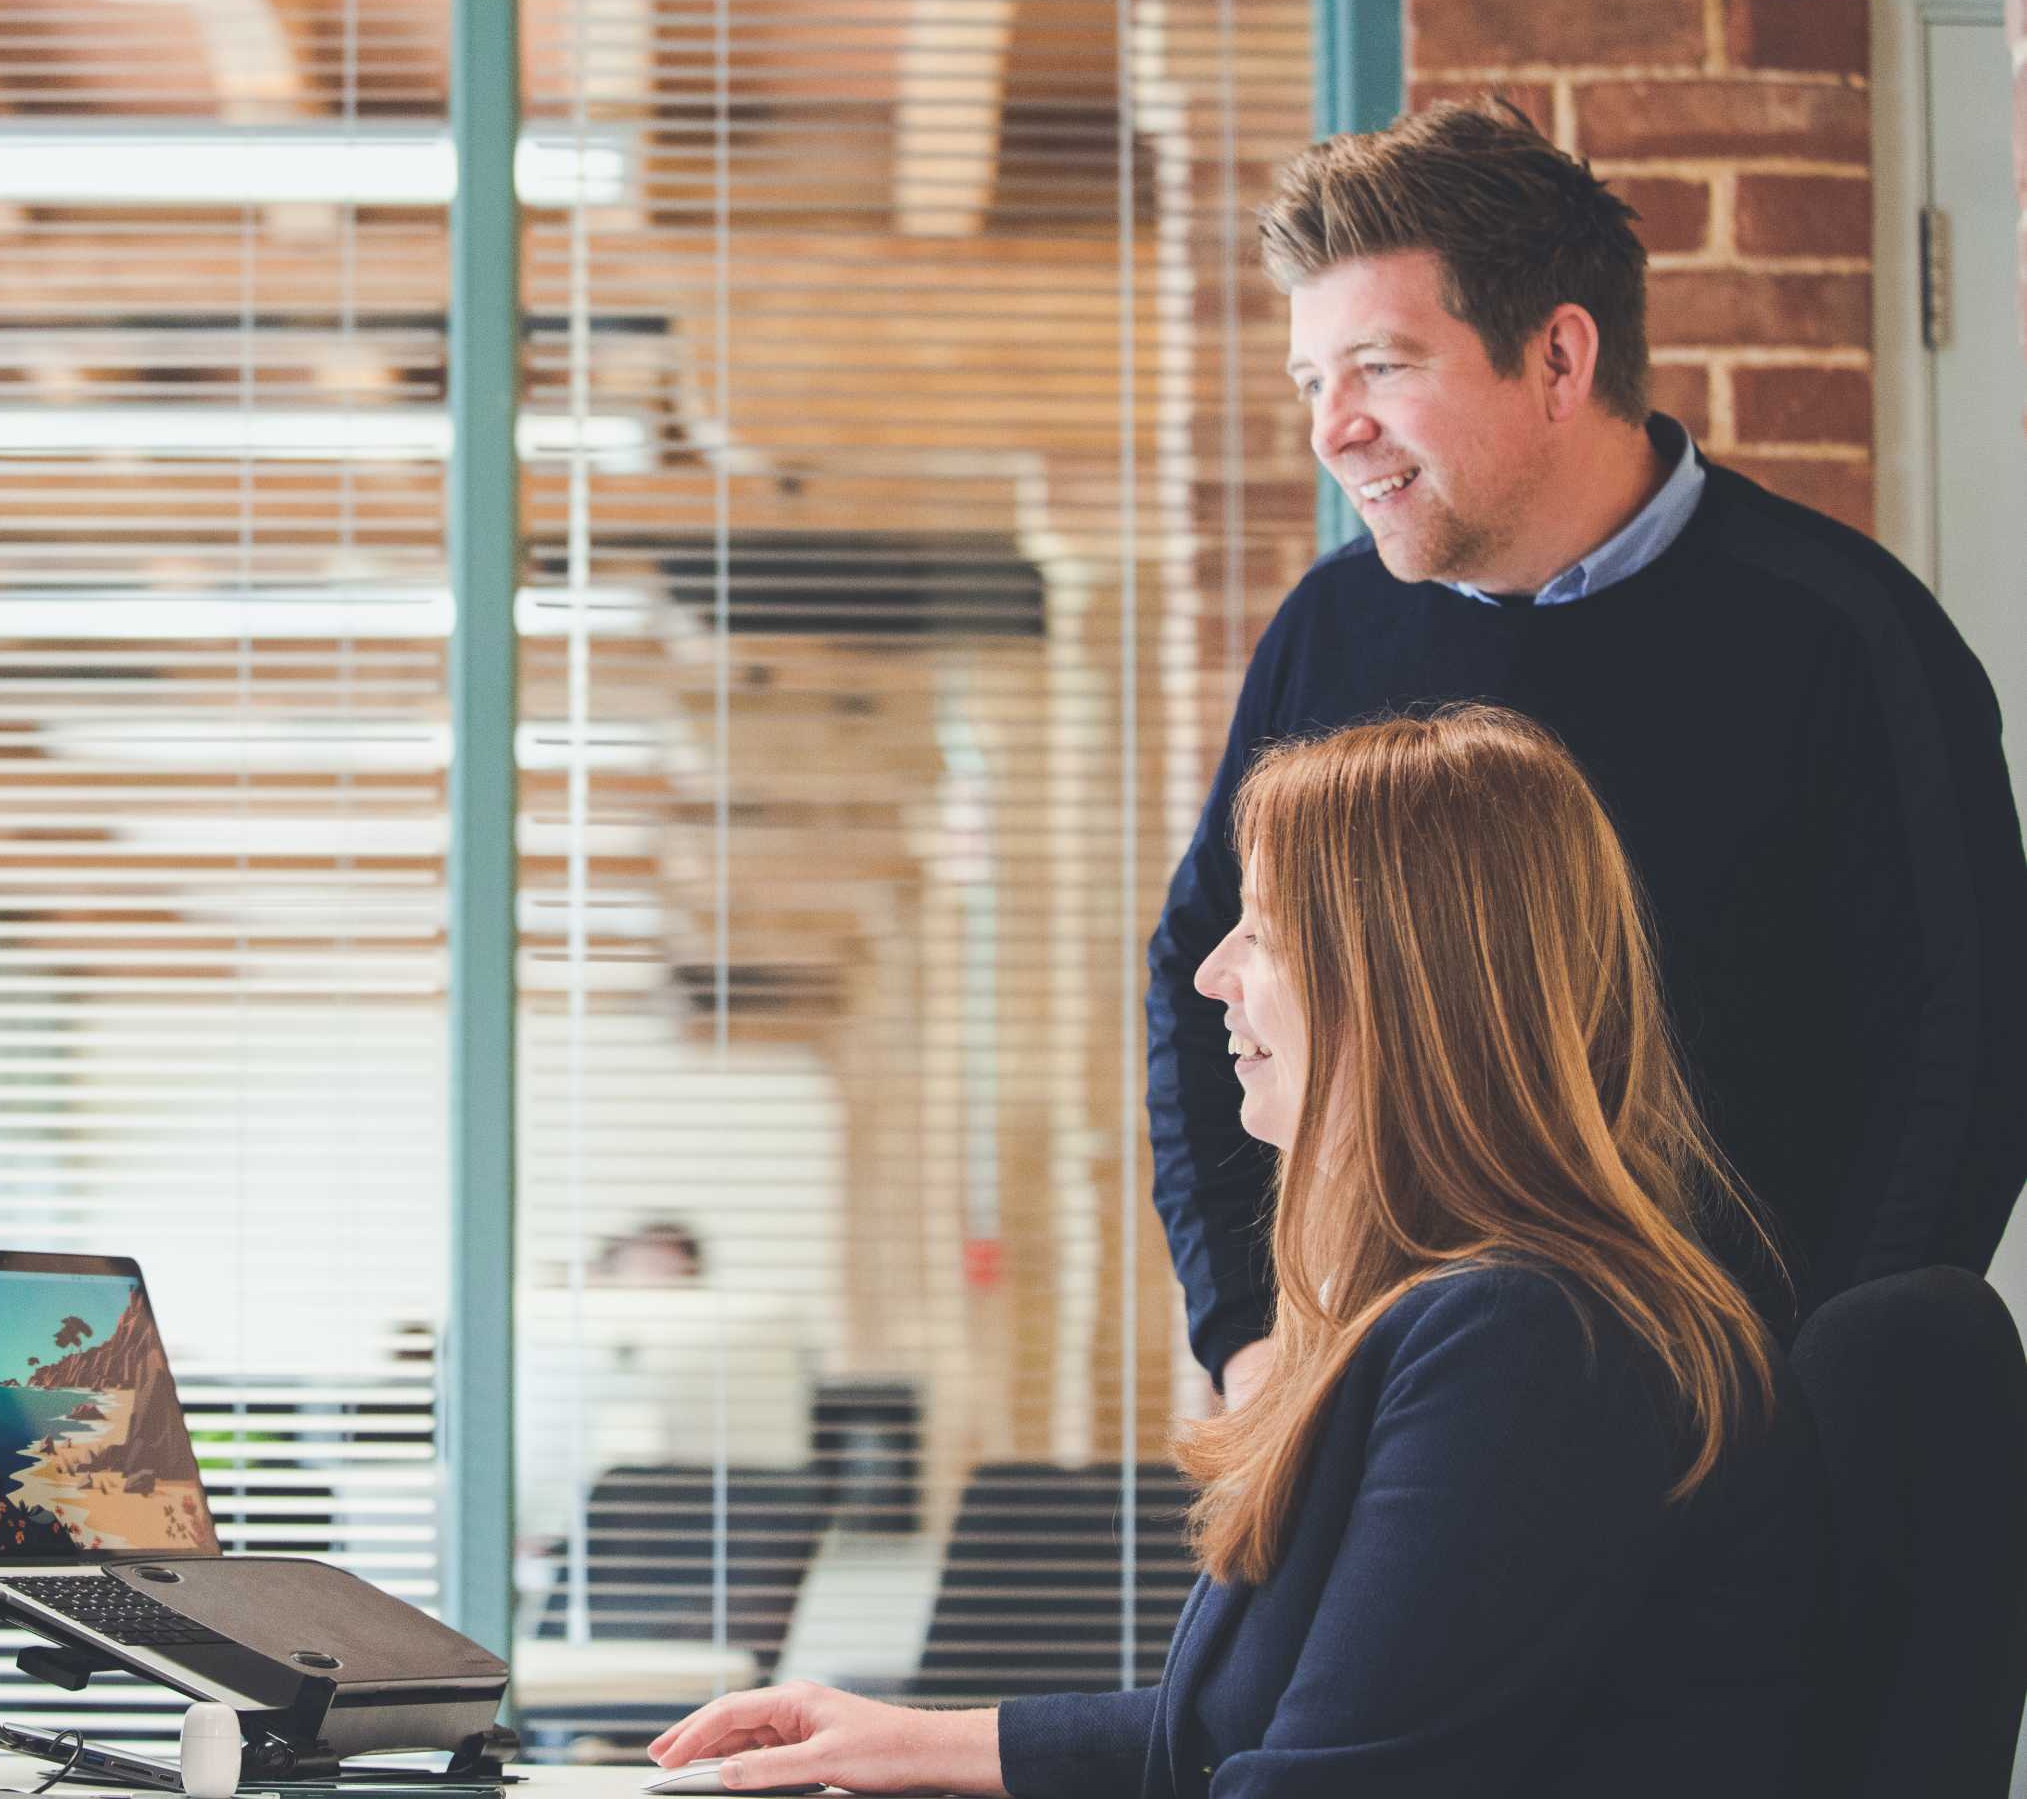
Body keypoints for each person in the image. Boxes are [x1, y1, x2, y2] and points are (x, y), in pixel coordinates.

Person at [648, 708, 1824, 1797]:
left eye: (1261, 929)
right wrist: (905, 1738)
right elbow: (1234, 1727)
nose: (1213, 973)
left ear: (1400, 980)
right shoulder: (1472, 1312)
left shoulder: (1523, 1342)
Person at [1150, 98, 2027, 1409]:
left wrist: (1811, 1407)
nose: (1329, 428)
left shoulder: (1842, 634)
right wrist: (1242, 1334)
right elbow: (1201, 972)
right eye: (1308, 381)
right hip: (1400, 1426)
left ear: (1556, 358)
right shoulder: (1327, 631)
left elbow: (1961, 1053)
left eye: (1380, 367)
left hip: (1734, 1446)